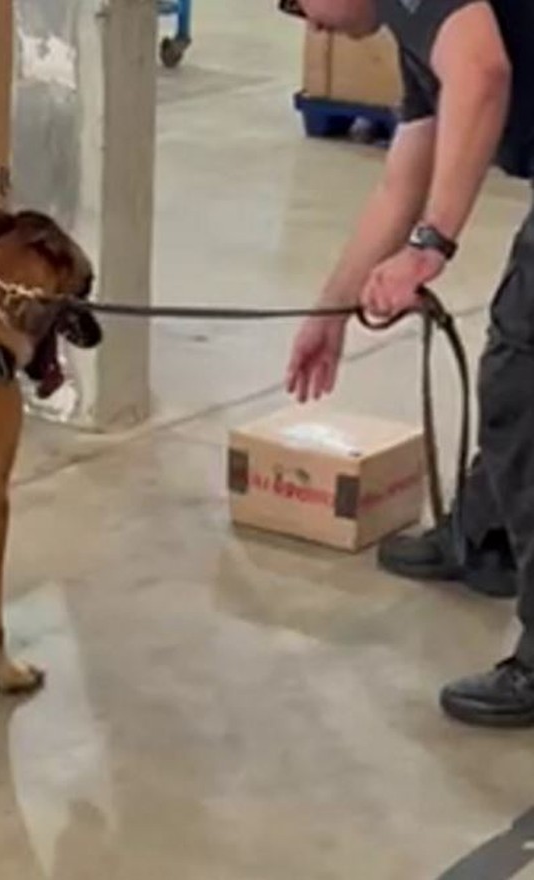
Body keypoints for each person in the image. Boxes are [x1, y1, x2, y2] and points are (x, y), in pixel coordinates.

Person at [281, 0, 534, 726]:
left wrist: (431, 246)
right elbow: (403, 183)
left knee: (520, 379)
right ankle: (487, 536)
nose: (305, 20)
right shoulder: (416, 41)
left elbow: (484, 73)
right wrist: (329, 316)